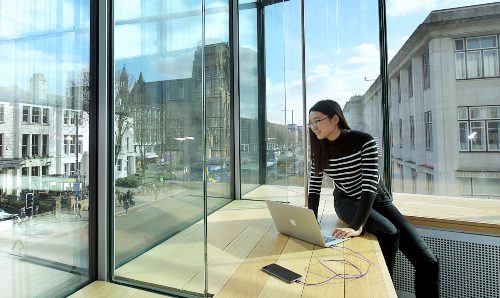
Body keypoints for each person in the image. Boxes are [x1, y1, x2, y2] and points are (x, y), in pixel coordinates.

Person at [307, 99, 439, 297]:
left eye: (317, 120)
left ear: (335, 119)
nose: (313, 127)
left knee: (429, 262)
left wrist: (356, 226)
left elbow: (369, 186)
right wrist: (310, 220)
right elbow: (314, 188)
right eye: (310, 122)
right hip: (346, 200)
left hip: (376, 198)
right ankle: (383, 289)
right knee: (389, 232)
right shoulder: (319, 149)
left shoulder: (364, 141)